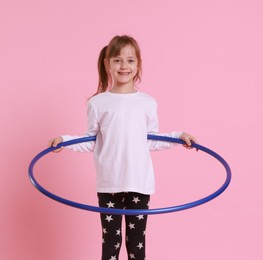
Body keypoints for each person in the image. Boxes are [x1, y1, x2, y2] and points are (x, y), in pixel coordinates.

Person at [48, 35, 197, 260]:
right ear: (107, 64)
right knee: (110, 245)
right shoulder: (97, 103)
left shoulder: (147, 102)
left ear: (138, 64)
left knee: (137, 247)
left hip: (139, 182)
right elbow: (91, 140)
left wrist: (178, 136)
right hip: (109, 184)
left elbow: (150, 139)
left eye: (130, 60)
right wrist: (64, 141)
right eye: (117, 60)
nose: (124, 66)